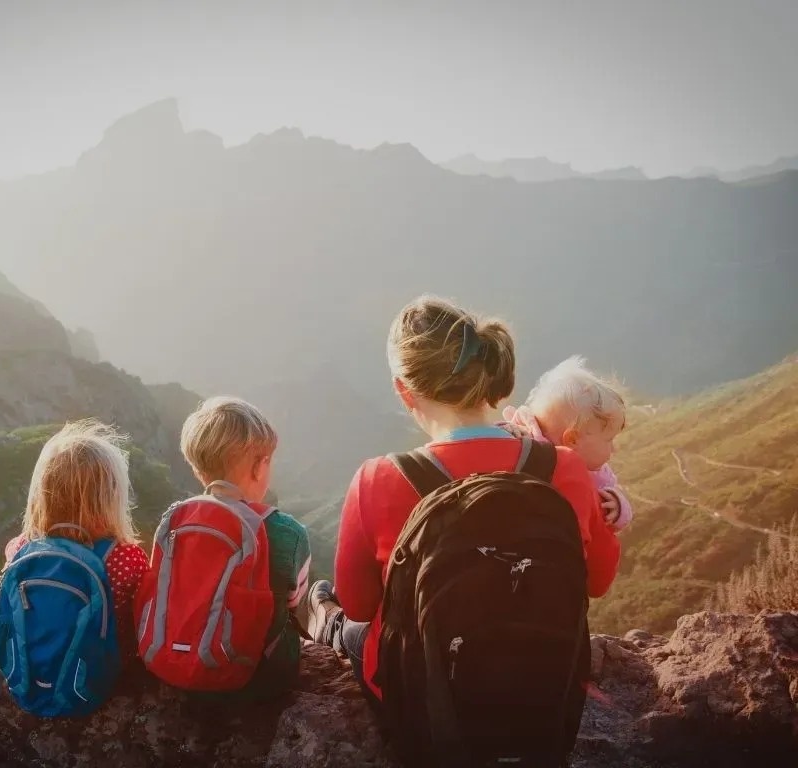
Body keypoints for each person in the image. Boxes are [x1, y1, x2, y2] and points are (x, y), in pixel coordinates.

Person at [304, 295, 621, 763]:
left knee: (344, 618)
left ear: (404, 390)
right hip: (543, 701)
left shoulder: (380, 478)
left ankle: (318, 615)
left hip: (424, 705)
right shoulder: (567, 469)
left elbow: (362, 603)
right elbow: (597, 580)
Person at [135, 396, 311, 701]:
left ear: (197, 467)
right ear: (259, 467)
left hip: (173, 667)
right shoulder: (287, 532)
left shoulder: (175, 520)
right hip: (257, 678)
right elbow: (296, 606)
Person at [0, 419, 148, 716]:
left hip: (27, 680)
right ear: (111, 497)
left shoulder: (20, 547)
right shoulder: (127, 557)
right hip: (101, 682)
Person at [501, 354, 633, 532]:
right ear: (573, 440)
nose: (614, 449)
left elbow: (615, 509)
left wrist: (618, 506)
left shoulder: (599, 476)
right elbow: (492, 446)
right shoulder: (526, 447)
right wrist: (506, 430)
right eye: (609, 440)